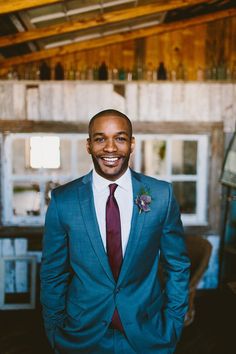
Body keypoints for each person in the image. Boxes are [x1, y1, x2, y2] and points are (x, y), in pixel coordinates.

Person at [40, 109, 190, 354]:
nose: (110, 148)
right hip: (81, 337)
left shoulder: (162, 195)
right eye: (100, 139)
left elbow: (178, 265)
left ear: (131, 144)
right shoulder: (63, 200)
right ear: (89, 146)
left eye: (120, 138)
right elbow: (52, 273)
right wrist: (55, 330)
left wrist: (173, 322)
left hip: (148, 335)